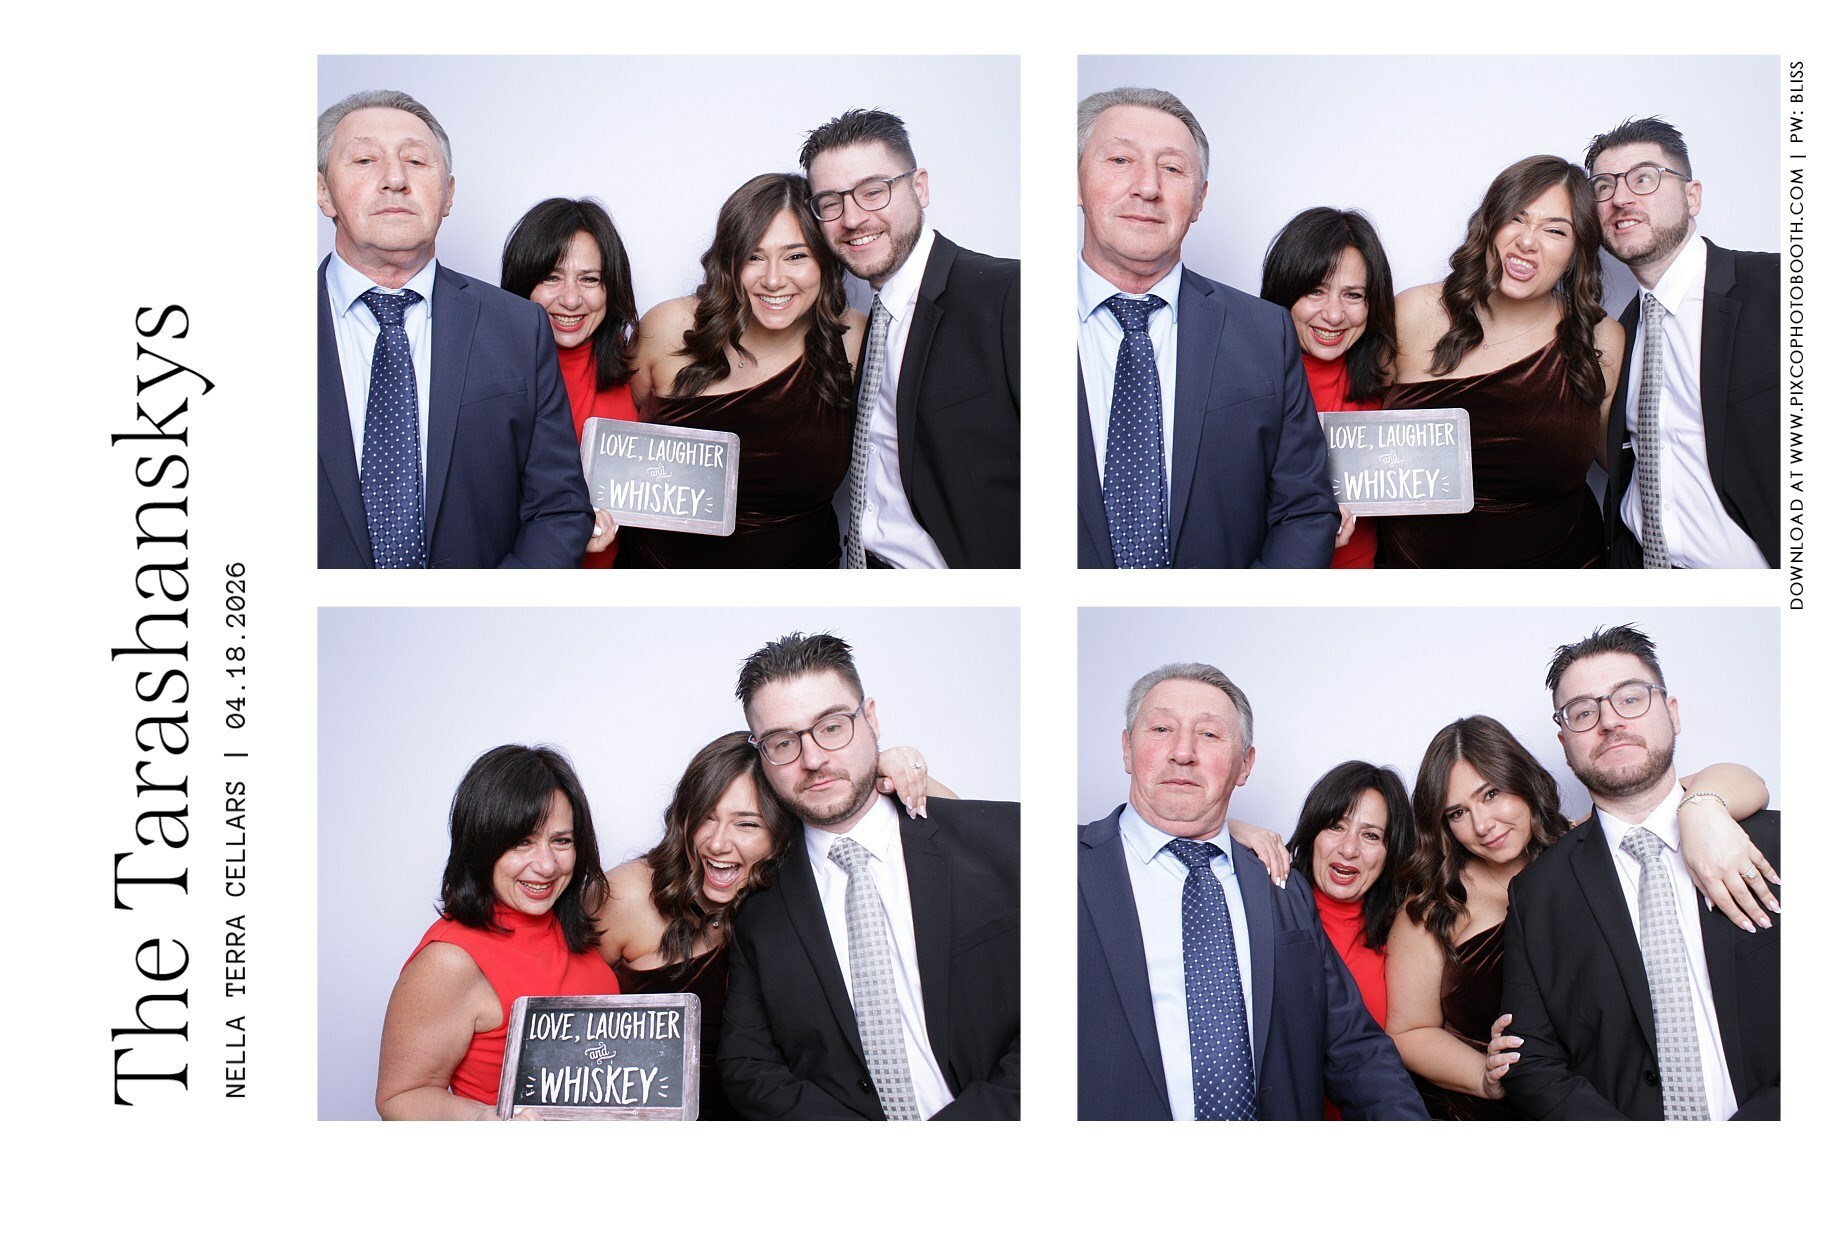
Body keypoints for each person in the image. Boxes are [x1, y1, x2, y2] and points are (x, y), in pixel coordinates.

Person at [1078, 662, 1426, 1120]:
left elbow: (1353, 1047)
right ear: (1127, 748)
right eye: (1161, 728)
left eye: (1209, 734)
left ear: (1245, 764)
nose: (1183, 752)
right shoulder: (1053, 869)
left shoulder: (1281, 885)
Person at [1387, 713, 1770, 1120]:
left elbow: (1743, 781)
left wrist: (1701, 810)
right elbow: (1407, 1031)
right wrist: (1484, 1075)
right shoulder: (1436, 905)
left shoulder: (1587, 847)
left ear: (1522, 779)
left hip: (1603, 1099)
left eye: (1491, 794)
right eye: (1457, 813)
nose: (1482, 825)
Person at [717, 633, 1020, 1119]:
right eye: (783, 742)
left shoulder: (1008, 838)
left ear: (871, 719)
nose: (813, 759)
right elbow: (748, 1066)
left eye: (832, 727)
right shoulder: (759, 909)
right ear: (763, 754)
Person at [591, 731, 948, 1120]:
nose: (717, 843)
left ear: (782, 831)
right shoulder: (628, 895)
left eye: (747, 824)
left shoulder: (799, 897)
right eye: (706, 817)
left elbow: (967, 838)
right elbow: (557, 1021)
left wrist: (887, 768)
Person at [1502, 625, 1780, 1118]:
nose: (1609, 721)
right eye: (1583, 712)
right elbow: (1534, 1063)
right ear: (1564, 742)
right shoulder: (1537, 895)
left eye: (1630, 698)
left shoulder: (1778, 842)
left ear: (1672, 713)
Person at [317, 89, 591, 568]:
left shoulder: (519, 327)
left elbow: (559, 508)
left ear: (448, 194)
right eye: (364, 160)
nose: (395, 179)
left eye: (416, 161)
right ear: (323, 191)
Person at [1075, 88, 1338, 569]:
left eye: (1173, 168)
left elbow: (1304, 512)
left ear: (1199, 199)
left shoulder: (1266, 331)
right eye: (1120, 160)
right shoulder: (1009, 318)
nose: (1148, 187)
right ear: (1075, 181)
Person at [801, 109, 1021, 569]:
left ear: (920, 187)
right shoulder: (853, 326)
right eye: (831, 203)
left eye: (873, 191)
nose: (853, 218)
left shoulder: (1008, 293)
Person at [1381, 156, 1622, 568]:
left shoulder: (1602, 339)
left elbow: (1626, 464)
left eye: (1555, 230)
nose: (1528, 241)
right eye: (1516, 218)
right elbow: (1350, 429)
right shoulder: (1412, 313)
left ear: (1576, 252)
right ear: (1489, 224)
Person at [618, 174, 864, 568]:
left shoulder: (854, 340)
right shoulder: (666, 328)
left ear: (825, 258)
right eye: (754, 256)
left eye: (796, 256)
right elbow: (609, 443)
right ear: (729, 262)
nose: (773, 279)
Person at [376, 745, 619, 1119]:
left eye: (561, 841)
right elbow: (400, 1096)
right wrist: (485, 1121)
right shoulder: (449, 959)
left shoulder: (574, 925)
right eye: (522, 842)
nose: (546, 865)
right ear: (481, 844)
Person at [1585, 118, 1779, 568]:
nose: (1620, 198)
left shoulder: (1779, 287)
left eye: (1644, 178)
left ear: (1692, 197)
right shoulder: (1616, 334)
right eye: (1603, 186)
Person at [500, 197, 642, 567]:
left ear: (612, 287)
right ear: (522, 280)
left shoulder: (636, 364)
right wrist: (566, 535)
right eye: (551, 277)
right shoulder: (489, 375)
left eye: (589, 279)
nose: (571, 299)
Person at [1259, 208, 1398, 568]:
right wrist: (1306, 528)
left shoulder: (1391, 383)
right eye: (1315, 291)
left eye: (1353, 295)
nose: (1334, 315)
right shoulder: (1246, 384)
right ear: (1284, 289)